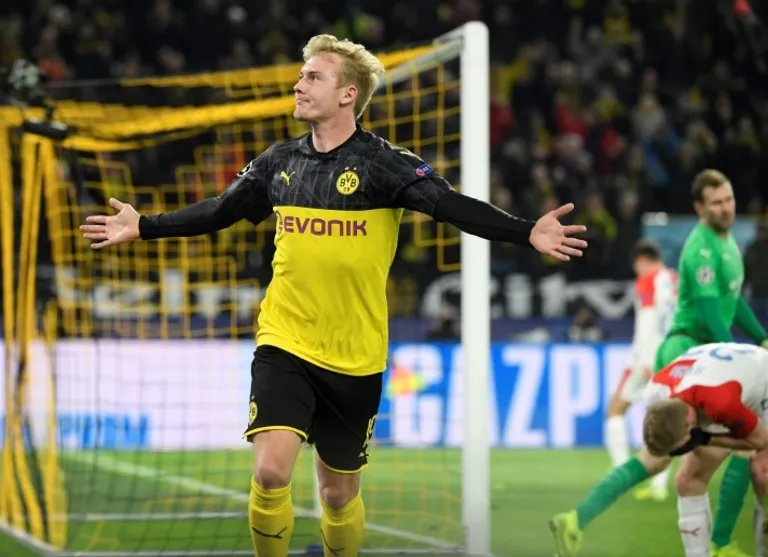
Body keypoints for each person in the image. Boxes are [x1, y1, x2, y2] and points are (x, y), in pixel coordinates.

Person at [80, 35, 588, 557]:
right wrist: (145, 225)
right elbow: (219, 210)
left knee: (337, 494)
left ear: (348, 94)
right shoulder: (278, 162)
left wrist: (526, 230)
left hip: (355, 355)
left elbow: (451, 206)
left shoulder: (384, 165)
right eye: (301, 76)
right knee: (271, 472)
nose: (298, 85)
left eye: (313, 77)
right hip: (285, 340)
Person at [550, 169, 768, 557]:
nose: (726, 208)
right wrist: (741, 354)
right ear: (699, 208)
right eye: (716, 202)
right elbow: (710, 315)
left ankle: (577, 519)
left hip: (695, 359)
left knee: (664, 461)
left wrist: (761, 337)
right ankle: (720, 543)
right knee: (739, 446)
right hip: (691, 351)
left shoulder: (728, 243)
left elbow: (733, 304)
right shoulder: (700, 248)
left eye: (729, 199)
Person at [642, 342, 768, 557]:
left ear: (690, 423)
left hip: (761, 381)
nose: (679, 453)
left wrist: (707, 438)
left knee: (762, 473)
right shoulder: (654, 394)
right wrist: (700, 439)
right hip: (722, 378)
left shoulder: (721, 403)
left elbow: (759, 440)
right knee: (687, 480)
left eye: (680, 448)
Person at [604, 240, 677, 501]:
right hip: (671, 355)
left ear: (641, 261)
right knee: (662, 419)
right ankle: (659, 486)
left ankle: (622, 474)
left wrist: (647, 358)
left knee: (615, 410)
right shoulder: (674, 280)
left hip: (647, 357)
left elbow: (648, 322)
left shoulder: (648, 280)